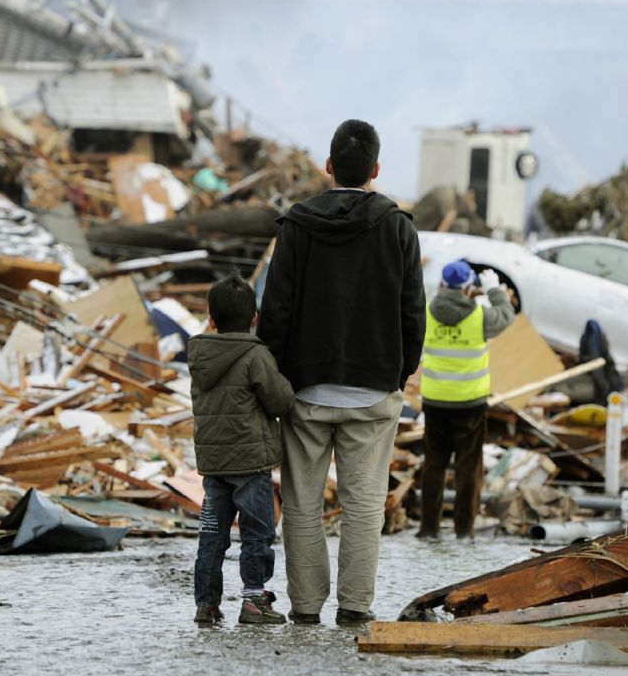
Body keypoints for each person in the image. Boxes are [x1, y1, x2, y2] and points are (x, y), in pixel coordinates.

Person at [256, 119, 425, 627]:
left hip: (306, 391)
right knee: (364, 506)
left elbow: (277, 310)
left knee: (303, 506)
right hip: (373, 391)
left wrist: (276, 378)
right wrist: (400, 372)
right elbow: (412, 310)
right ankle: (355, 607)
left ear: (329, 167)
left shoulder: (296, 227)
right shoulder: (398, 227)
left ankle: (305, 607)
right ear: (375, 170)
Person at [189, 275, 295, 626]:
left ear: (212, 320)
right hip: (251, 465)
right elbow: (280, 401)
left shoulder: (199, 355)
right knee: (256, 534)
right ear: (254, 317)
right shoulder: (256, 355)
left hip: (213, 465)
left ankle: (205, 604)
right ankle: (253, 600)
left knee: (212, 535)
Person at [416, 260, 514, 540]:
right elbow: (507, 315)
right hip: (470, 405)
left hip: (435, 402)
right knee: (468, 469)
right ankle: (463, 530)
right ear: (468, 288)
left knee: (434, 465)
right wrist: (494, 290)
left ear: (443, 285)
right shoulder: (481, 316)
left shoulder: (427, 313)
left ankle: (429, 528)